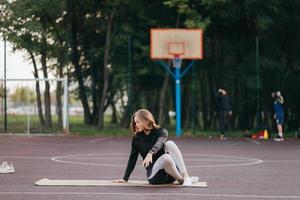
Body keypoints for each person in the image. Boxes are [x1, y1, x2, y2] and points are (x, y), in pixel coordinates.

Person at [113, 109, 199, 186]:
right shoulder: (137, 138)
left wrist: (151, 153)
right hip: (155, 177)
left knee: (170, 144)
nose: (135, 125)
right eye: (135, 123)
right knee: (166, 157)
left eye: (138, 122)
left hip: (170, 175)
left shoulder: (161, 132)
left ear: (146, 121)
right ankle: (181, 180)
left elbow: (160, 142)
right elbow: (132, 158)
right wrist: (125, 178)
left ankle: (186, 176)